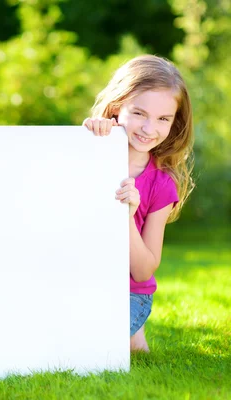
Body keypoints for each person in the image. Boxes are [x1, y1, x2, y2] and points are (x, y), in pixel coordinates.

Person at [83, 55, 194, 352]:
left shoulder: (161, 184)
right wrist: (85, 138)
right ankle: (135, 340)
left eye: (163, 119)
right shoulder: (90, 152)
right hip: (81, 280)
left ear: (175, 122)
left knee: (90, 344)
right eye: (139, 113)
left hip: (129, 293)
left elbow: (144, 271)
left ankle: (134, 334)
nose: (149, 128)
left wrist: (127, 216)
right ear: (118, 106)